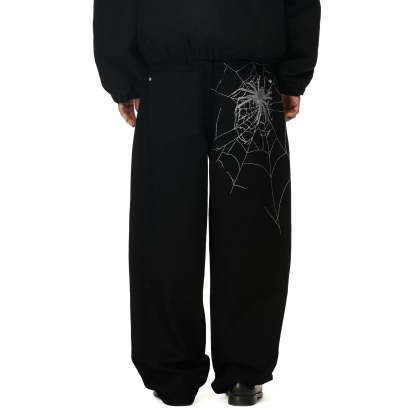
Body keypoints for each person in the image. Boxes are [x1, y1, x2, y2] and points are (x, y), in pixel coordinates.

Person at [93, 0, 321, 406]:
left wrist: (122, 77)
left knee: (164, 225)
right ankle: (244, 373)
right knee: (253, 230)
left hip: (167, 77)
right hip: (251, 73)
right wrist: (293, 73)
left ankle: (171, 374)